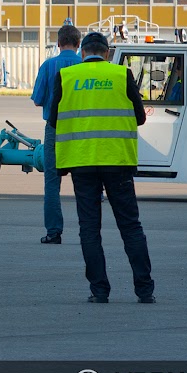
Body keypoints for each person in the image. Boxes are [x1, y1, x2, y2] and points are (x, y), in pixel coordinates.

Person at [48, 31, 154, 303]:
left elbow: (53, 120)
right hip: (117, 161)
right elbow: (140, 117)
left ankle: (99, 291)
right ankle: (145, 291)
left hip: (82, 162)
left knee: (89, 228)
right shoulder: (122, 75)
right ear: (107, 53)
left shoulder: (66, 76)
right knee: (130, 226)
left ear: (83, 52)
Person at [31, 24, 84, 244]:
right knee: (84, 181)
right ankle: (88, 230)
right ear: (78, 44)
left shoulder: (48, 65)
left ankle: (54, 231)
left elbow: (37, 99)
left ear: (59, 43)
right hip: (82, 129)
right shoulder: (85, 66)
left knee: (52, 181)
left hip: (55, 128)